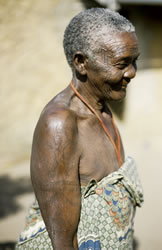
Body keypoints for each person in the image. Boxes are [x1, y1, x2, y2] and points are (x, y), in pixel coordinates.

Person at [16, 8, 143, 250]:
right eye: (121, 63)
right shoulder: (60, 125)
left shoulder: (102, 108)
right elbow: (62, 242)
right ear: (81, 63)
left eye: (134, 60)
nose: (132, 72)